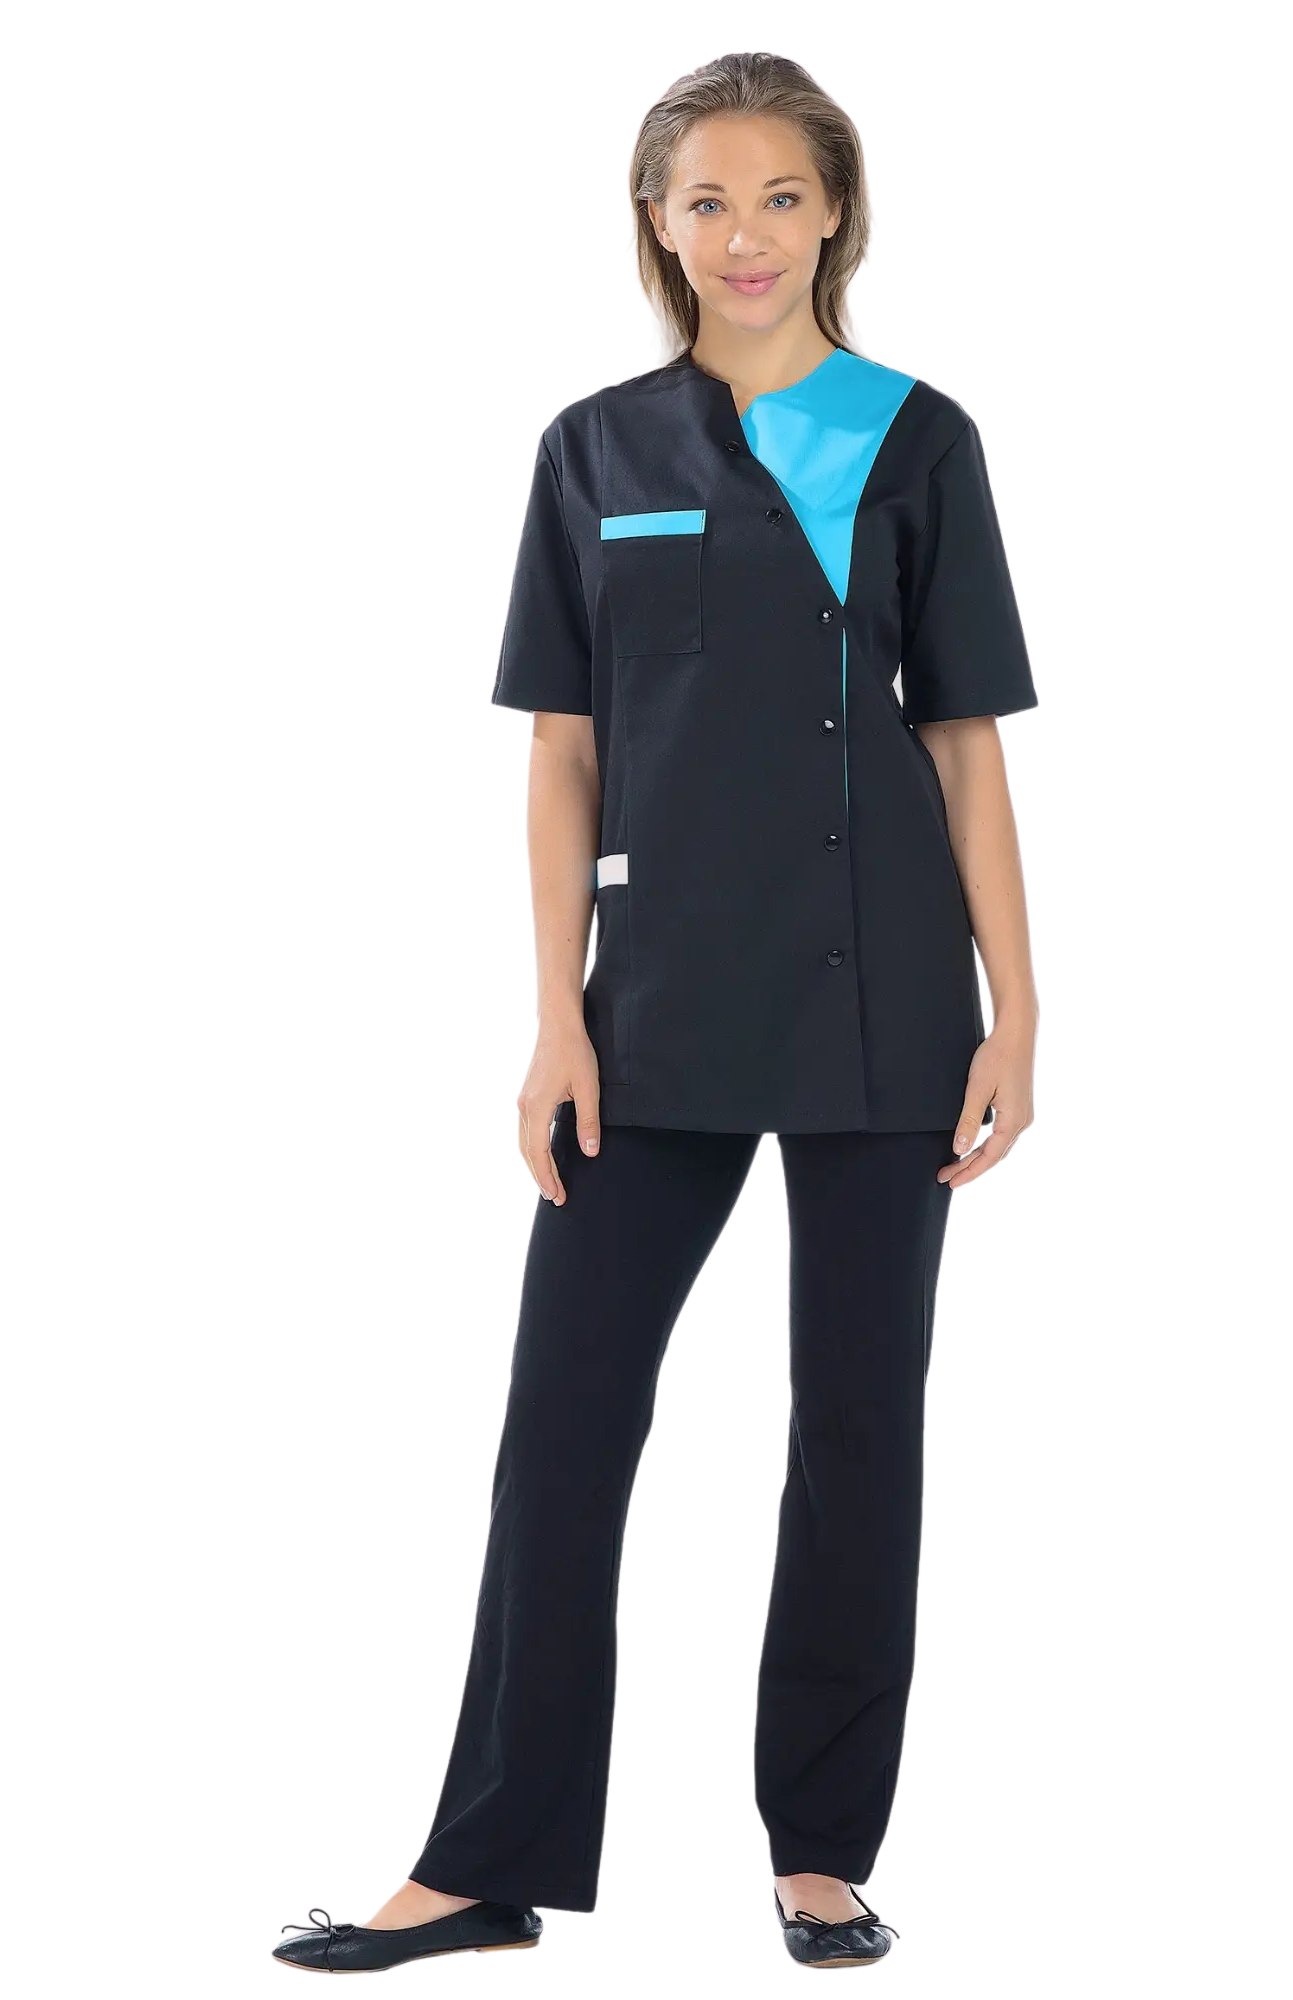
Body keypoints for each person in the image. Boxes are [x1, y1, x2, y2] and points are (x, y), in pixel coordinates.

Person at [271, 51, 1038, 1978]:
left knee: (859, 1428)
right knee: (565, 1418)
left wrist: (1015, 1007)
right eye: (709, 201)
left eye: (783, 197)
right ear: (655, 224)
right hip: (654, 999)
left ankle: (823, 1862)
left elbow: (966, 744)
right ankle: (488, 1861)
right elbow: (560, 752)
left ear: (839, 214)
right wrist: (554, 1024)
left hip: (883, 994)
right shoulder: (591, 450)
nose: (747, 235)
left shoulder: (916, 435)